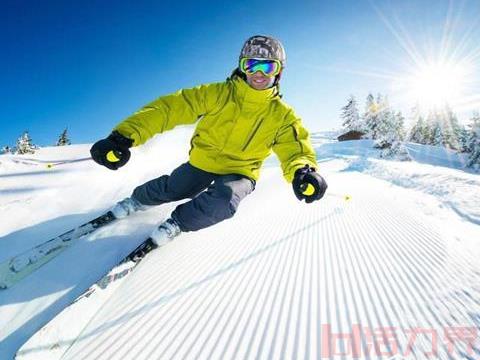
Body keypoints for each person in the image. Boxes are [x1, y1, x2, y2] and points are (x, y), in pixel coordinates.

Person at [90, 35, 328, 247]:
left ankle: (177, 224)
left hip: (241, 171)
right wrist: (123, 136)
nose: (259, 74)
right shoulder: (218, 94)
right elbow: (169, 109)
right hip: (203, 161)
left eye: (267, 66)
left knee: (224, 200)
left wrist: (302, 172)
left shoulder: (283, 116)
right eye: (252, 64)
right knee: (175, 187)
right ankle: (136, 201)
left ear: (278, 72)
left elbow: (295, 148)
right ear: (242, 66)